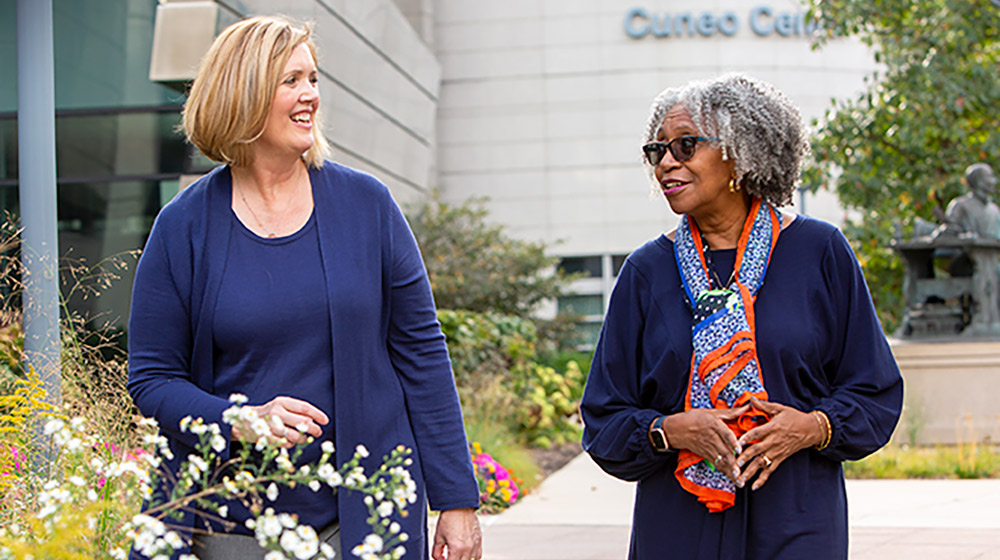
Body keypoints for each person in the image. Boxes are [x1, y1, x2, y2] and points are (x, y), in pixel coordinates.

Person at [127, 16, 482, 560]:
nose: (310, 96)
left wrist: (457, 500)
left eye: (313, 79)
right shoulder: (184, 226)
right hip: (234, 525)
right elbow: (153, 378)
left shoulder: (368, 206)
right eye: (291, 80)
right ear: (243, 92)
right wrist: (240, 420)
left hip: (367, 515)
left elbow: (422, 353)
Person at [580, 73, 903, 559]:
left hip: (798, 521)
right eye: (657, 151)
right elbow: (603, 419)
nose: (667, 162)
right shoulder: (645, 271)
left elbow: (874, 392)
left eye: (686, 146)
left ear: (739, 151)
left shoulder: (819, 251)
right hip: (679, 528)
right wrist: (670, 430)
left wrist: (812, 426)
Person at [941, 163, 1000, 239]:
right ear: (979, 181)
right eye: (989, 176)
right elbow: (948, 233)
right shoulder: (960, 205)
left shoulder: (994, 209)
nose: (993, 181)